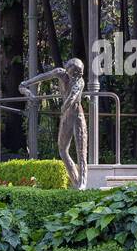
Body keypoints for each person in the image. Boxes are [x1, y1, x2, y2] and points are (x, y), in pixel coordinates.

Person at [20, 57, 87, 188]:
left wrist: (63, 107)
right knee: (62, 150)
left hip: (77, 116)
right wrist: (26, 83)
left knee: (81, 151)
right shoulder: (60, 73)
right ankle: (76, 181)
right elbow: (44, 76)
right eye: (72, 73)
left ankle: (82, 184)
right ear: (67, 70)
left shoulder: (80, 82)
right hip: (66, 116)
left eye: (77, 74)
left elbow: (72, 97)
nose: (74, 76)